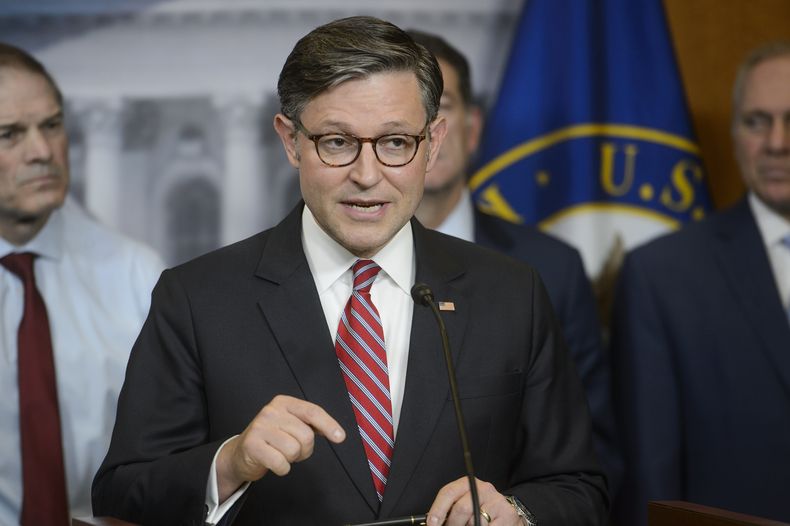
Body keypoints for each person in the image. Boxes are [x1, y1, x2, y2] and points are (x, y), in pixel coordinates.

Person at [93, 16, 608, 526]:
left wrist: (516, 511)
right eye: (337, 142)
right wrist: (229, 464)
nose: (367, 176)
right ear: (291, 141)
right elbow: (121, 491)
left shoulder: (512, 292)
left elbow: (579, 488)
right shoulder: (196, 298)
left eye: (395, 142)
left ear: (432, 144)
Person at [408, 30, 623, 497]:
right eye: (401, 116)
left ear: (471, 127)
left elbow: (589, 455)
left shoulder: (551, 269)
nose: (422, 129)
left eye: (438, 107)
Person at [611, 41, 790, 526]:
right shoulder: (662, 275)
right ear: (735, 135)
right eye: (757, 121)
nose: (776, 142)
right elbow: (653, 475)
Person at [0, 43, 164, 525]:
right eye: (9, 134)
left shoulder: (137, 276)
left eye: (51, 125)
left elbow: (174, 457)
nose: (42, 151)